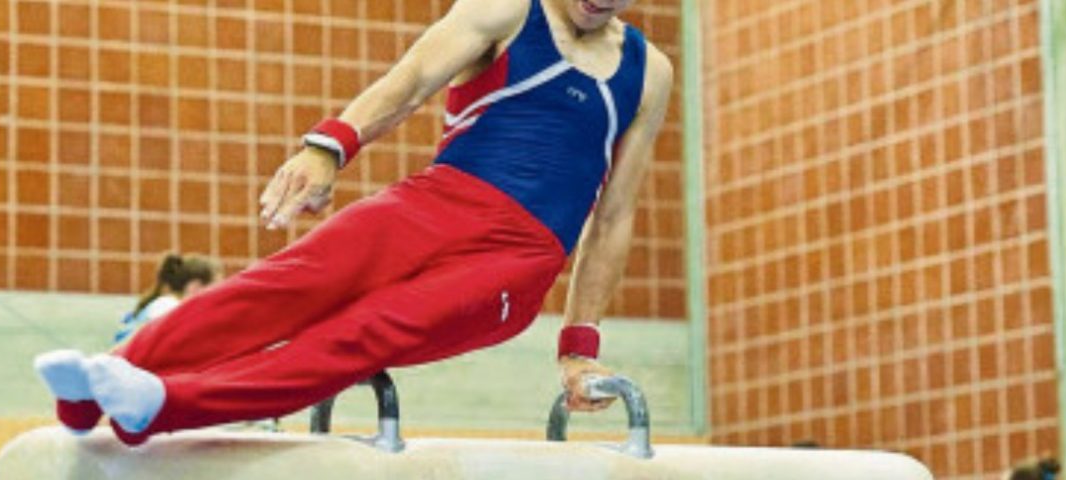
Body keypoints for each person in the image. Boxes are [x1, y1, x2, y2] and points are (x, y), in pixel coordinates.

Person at [33, 0, 672, 446]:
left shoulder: (648, 73)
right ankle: (95, 388)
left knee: (365, 330)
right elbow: (412, 79)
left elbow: (614, 215)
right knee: (291, 281)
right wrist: (329, 146)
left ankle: (165, 405)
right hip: (436, 202)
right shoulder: (506, 8)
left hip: (517, 260)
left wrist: (579, 349)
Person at [113, 253, 220, 345]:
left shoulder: (167, 305)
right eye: (215, 288)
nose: (218, 295)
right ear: (195, 287)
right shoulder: (167, 307)